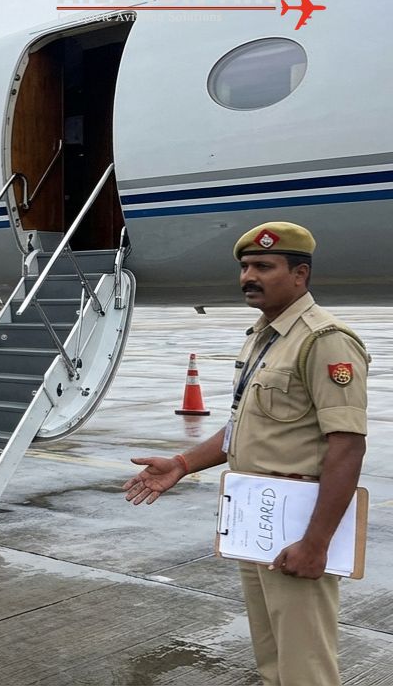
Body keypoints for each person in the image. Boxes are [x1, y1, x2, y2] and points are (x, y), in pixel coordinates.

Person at [122, 221, 369, 686]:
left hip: (298, 521)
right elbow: (244, 424)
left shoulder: (324, 340)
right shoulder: (263, 336)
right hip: (258, 520)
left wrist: (316, 544)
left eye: (263, 266)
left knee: (305, 664)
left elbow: (348, 445)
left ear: (300, 274)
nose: (248, 277)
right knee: (273, 658)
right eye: (245, 267)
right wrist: (182, 464)